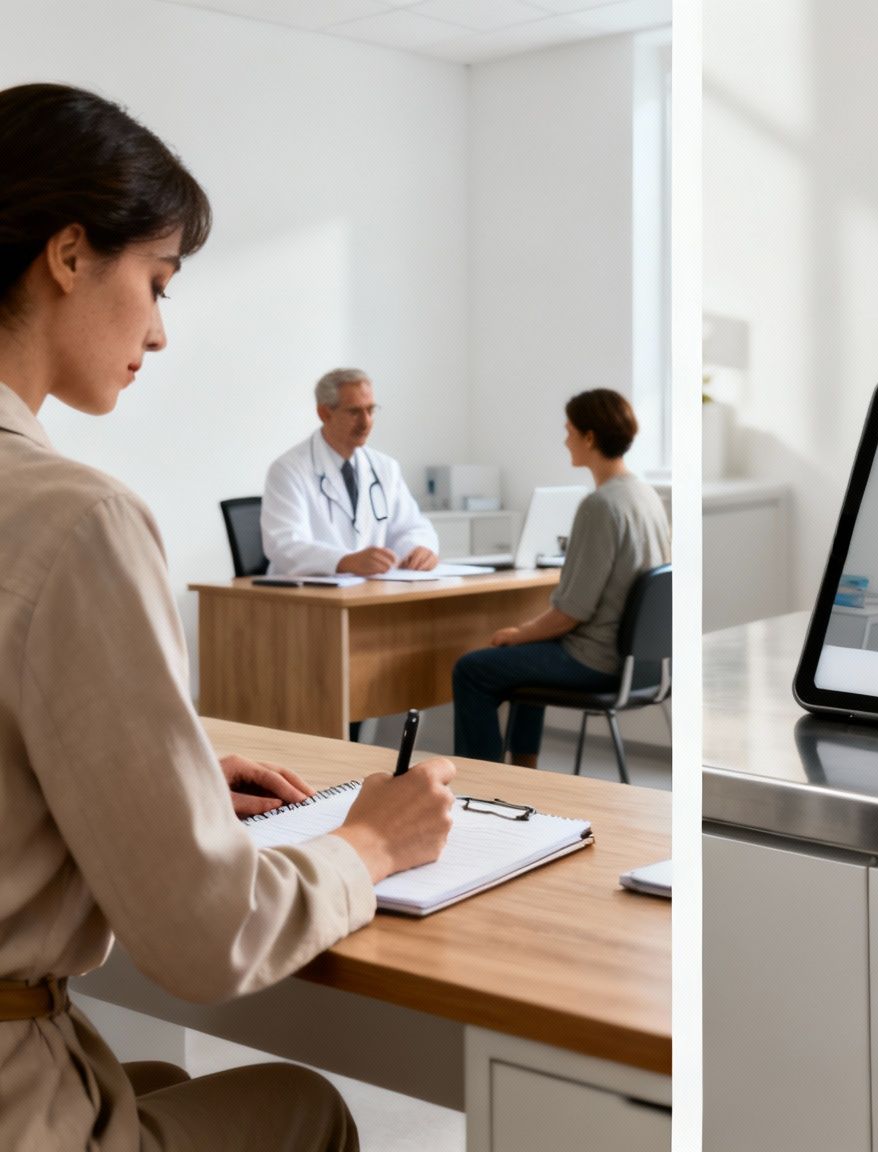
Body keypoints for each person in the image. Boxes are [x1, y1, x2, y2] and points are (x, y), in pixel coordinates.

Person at [0, 82, 460, 1151]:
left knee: (150, 1070)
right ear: (70, 255)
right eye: (155, 282)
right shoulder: (75, 520)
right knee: (303, 1105)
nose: (159, 334)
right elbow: (208, 940)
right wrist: (370, 848)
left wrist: (149, 785)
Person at [452, 389, 672, 766]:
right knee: (527, 654)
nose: (565, 439)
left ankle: (480, 785)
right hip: (643, 665)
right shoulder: (645, 494)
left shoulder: (600, 505)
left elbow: (571, 613)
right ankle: (524, 771)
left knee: (472, 669)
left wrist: (518, 633)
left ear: (589, 437)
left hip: (597, 661)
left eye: (569, 430)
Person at [260, 367, 439, 576]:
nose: (366, 422)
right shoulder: (289, 470)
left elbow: (411, 526)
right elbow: (284, 545)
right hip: (308, 595)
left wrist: (419, 549)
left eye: (370, 410)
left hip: (369, 591)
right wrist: (344, 561)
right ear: (324, 413)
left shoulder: (385, 467)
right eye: (354, 412)